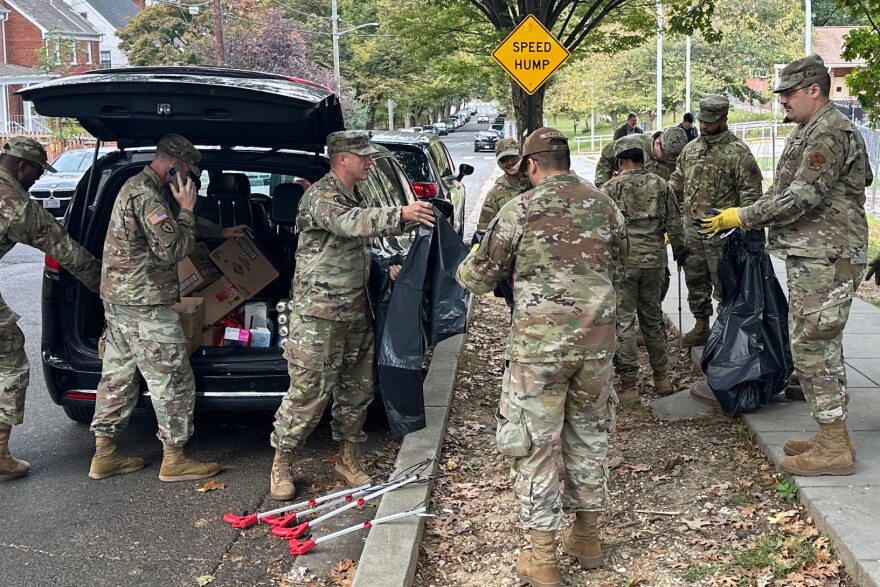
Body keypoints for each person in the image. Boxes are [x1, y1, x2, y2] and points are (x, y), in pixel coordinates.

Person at [456, 127, 627, 585]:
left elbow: (476, 276)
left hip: (539, 350)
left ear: (531, 165)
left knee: (536, 446)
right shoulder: (605, 204)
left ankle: (544, 556)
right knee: (589, 436)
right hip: (596, 344)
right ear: (566, 160)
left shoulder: (520, 208)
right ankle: (587, 536)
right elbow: (620, 263)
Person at [700, 55, 871, 477]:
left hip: (826, 256)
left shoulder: (829, 132)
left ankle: (833, 446)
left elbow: (800, 197)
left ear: (814, 89)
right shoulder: (812, 130)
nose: (782, 102)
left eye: (788, 94)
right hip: (817, 253)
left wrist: (742, 215)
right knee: (817, 343)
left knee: (814, 346)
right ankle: (834, 434)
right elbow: (858, 179)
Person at [269, 131, 435, 501]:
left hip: (356, 308)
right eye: (363, 157)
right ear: (342, 158)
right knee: (308, 393)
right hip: (319, 315)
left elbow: (362, 240)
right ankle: (282, 460)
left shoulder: (356, 195)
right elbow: (349, 224)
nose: (369, 162)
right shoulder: (320, 196)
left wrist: (403, 236)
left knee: (356, 390)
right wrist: (401, 213)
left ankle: (348, 457)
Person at [89, 133, 222, 482]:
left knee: (117, 375)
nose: (190, 180)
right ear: (174, 165)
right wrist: (191, 210)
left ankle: (104, 454)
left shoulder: (140, 187)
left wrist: (220, 231)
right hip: (145, 304)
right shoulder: (148, 196)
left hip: (119, 300)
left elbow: (167, 224)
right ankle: (174, 459)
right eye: (188, 172)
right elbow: (173, 249)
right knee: (172, 378)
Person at [0, 138, 102, 477]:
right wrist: (110, 288)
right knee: (10, 363)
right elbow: (67, 251)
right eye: (37, 172)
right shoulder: (16, 204)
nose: (37, 180)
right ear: (21, 167)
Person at [668, 95, 763, 347]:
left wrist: (739, 225)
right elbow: (676, 183)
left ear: (724, 120)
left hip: (722, 233)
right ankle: (701, 325)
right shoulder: (691, 149)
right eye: (702, 121)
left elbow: (751, 197)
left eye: (710, 122)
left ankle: (726, 331)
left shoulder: (738, 152)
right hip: (691, 230)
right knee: (695, 280)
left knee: (726, 283)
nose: (704, 126)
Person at [601, 136, 686, 404]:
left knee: (624, 322)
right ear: (642, 159)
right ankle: (662, 377)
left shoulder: (610, 188)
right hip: (654, 262)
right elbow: (675, 224)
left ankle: (629, 386)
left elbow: (602, 229)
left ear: (620, 161)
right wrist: (680, 252)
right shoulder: (661, 185)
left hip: (623, 265)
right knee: (652, 318)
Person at [594, 127, 688, 188]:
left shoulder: (679, 153)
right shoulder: (632, 143)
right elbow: (605, 160)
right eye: (669, 156)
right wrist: (603, 185)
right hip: (625, 197)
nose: (671, 160)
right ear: (658, 143)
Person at [477, 138, 531, 231]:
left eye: (513, 157)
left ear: (521, 155)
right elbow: (484, 229)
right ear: (499, 164)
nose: (510, 162)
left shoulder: (538, 182)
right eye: (504, 160)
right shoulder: (495, 194)